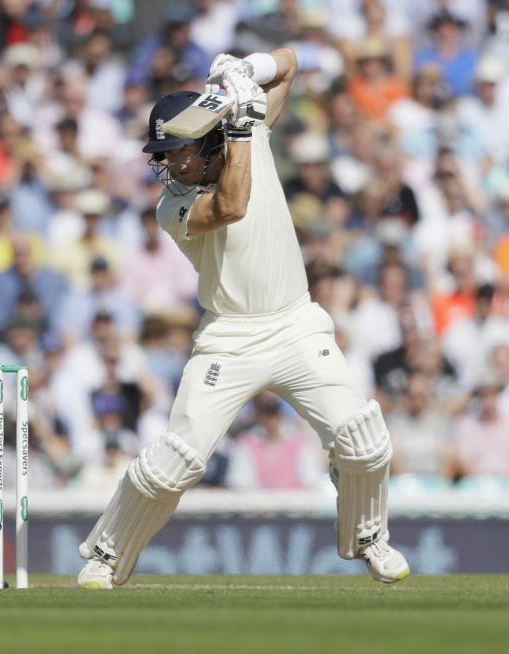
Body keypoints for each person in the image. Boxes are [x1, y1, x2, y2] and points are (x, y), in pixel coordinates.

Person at [77, 49, 410, 589]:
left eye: (178, 150)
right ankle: (108, 555)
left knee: (364, 440)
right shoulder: (173, 206)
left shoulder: (249, 137)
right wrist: (242, 123)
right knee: (174, 462)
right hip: (229, 339)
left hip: (297, 325)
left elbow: (292, 64)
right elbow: (231, 205)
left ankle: (369, 536)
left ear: (205, 137)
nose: (171, 164)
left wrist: (244, 72)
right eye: (164, 153)